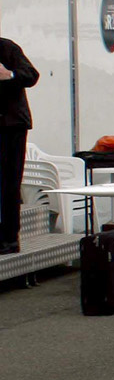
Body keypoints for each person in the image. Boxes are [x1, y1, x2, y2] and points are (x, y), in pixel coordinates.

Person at [0, 36, 39, 255]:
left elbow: (32, 75)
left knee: (9, 182)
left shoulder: (7, 48)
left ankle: (10, 238)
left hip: (11, 125)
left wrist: (9, 75)